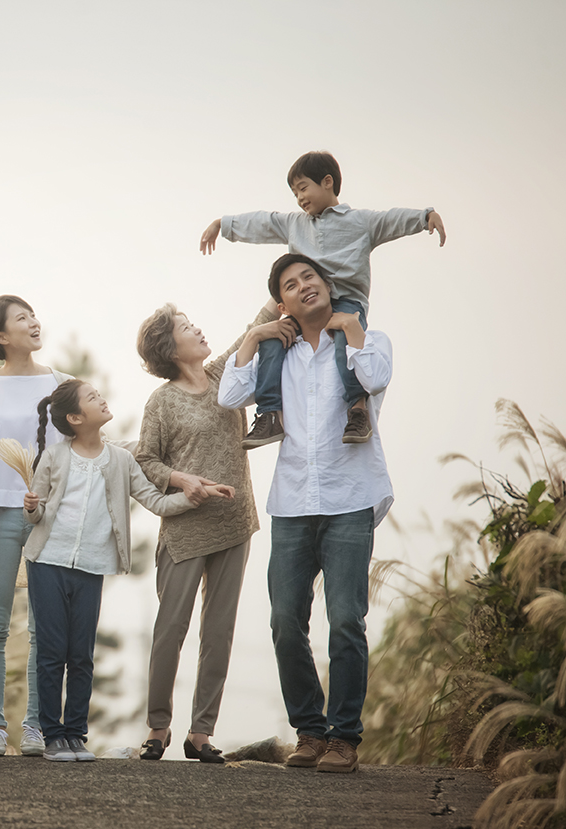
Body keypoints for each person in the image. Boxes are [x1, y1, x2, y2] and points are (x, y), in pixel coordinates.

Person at [218, 253, 395, 774]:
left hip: (349, 498)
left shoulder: (370, 340)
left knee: (346, 620)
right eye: (291, 285)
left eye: (309, 278)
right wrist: (255, 337)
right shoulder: (279, 354)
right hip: (293, 503)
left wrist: (353, 329)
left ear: (327, 286)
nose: (303, 287)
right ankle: (310, 732)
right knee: (284, 620)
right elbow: (231, 393)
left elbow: (377, 377)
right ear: (283, 303)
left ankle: (344, 738)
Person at [21, 380, 228, 762]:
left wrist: (193, 495)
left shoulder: (121, 460)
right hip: (47, 561)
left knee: (81, 655)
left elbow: (155, 501)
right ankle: (53, 737)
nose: (102, 397)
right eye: (92, 397)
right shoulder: (52, 456)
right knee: (52, 653)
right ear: (75, 417)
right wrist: (32, 507)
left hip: (92, 567)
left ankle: (75, 735)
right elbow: (37, 514)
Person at [133, 296, 294, 763]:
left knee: (219, 632)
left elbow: (257, 323)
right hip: (184, 528)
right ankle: (158, 727)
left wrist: (285, 277)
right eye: (186, 326)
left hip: (234, 523)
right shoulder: (161, 401)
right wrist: (183, 480)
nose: (198, 330)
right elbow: (145, 459)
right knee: (170, 631)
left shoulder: (225, 374)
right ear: (169, 347)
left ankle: (200, 733)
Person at [200, 150, 442, 449]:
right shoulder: (295, 224)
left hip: (346, 305)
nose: (299, 198)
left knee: (343, 342)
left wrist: (424, 217)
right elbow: (262, 223)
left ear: (327, 182)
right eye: (294, 193)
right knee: (274, 342)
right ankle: (270, 413)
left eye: (303, 188)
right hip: (305, 311)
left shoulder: (361, 222)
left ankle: (357, 409)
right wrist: (223, 225)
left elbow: (391, 219)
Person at [0, 295, 72, 758]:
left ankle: (34, 727)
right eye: (22, 318)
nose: (34, 322)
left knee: (44, 630)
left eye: (34, 315)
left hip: (46, 516)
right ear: (1, 336)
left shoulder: (62, 383)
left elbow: (81, 445)